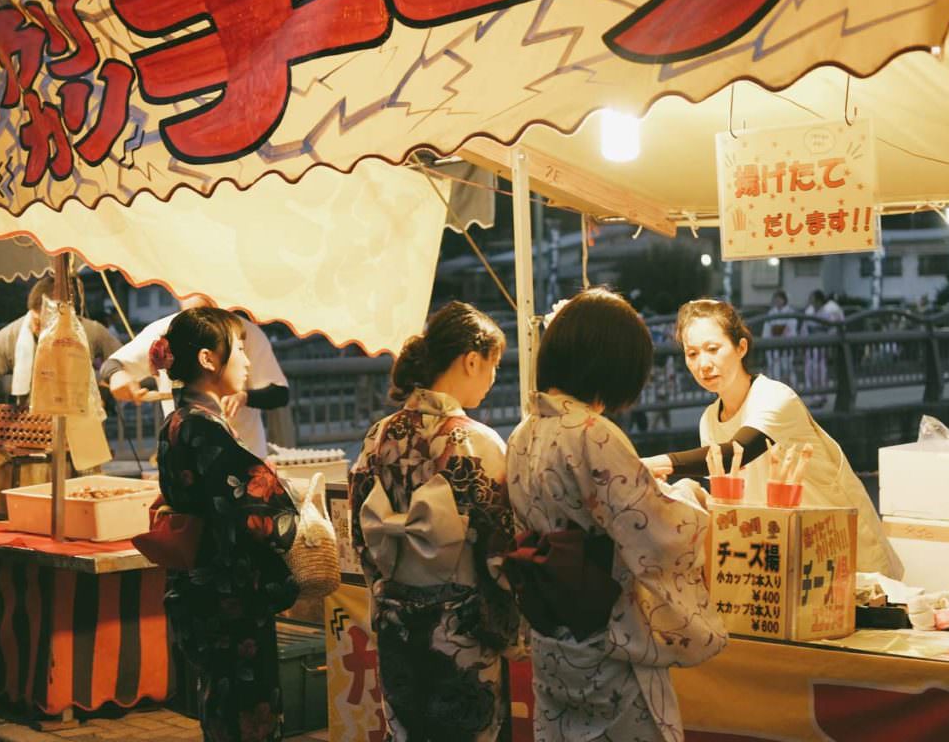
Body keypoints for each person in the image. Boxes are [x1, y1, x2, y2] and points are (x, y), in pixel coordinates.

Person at [507, 288, 727, 742]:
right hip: (604, 627)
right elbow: (656, 532)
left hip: (552, 631)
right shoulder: (592, 432)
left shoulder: (524, 431)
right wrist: (689, 496)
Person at [349, 301, 519, 742]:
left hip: (395, 620)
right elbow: (500, 551)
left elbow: (361, 534)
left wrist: (385, 591)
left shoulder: (377, 436)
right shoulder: (476, 442)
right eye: (494, 365)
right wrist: (508, 627)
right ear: (471, 360)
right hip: (459, 629)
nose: (494, 377)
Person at [644, 299, 902, 578]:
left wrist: (654, 464)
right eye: (692, 353)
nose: (703, 364)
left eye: (713, 349)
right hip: (781, 558)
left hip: (841, 549)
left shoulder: (774, 397)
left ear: (741, 347)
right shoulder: (709, 420)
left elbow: (736, 452)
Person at [153, 307, 300, 742]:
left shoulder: (177, 422)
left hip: (197, 589)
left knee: (218, 702)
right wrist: (281, 492)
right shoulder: (206, 429)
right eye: (238, 349)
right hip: (230, 595)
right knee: (248, 707)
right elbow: (263, 513)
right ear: (208, 359)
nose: (248, 361)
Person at [101, 295, 288, 458]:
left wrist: (244, 397)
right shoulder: (165, 330)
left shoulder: (243, 331)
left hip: (244, 452)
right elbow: (113, 365)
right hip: (186, 455)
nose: (246, 362)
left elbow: (280, 393)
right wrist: (118, 377)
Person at [0, 275, 121, 403]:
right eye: (35, 321)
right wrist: (10, 383)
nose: (36, 328)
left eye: (45, 322)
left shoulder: (90, 330)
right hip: (29, 412)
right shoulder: (10, 336)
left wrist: (101, 381)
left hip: (82, 408)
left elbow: (122, 359)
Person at [763, 289, 798, 385]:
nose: (777, 301)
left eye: (780, 299)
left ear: (784, 300)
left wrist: (783, 332)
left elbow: (792, 328)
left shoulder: (790, 312)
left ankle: (791, 386)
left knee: (787, 366)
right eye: (776, 299)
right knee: (774, 366)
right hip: (773, 343)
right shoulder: (771, 312)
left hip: (786, 343)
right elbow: (767, 329)